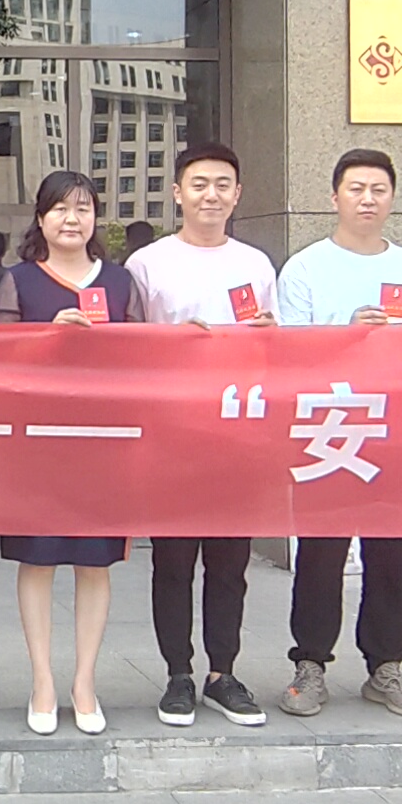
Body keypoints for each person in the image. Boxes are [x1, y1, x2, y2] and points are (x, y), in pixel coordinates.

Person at [275, 149, 402, 719]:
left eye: (378, 189)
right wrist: (347, 335)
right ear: (335, 198)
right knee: (320, 554)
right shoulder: (305, 267)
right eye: (356, 189)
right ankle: (310, 666)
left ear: (392, 198)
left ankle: (386, 665)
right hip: (327, 430)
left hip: (396, 432)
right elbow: (286, 354)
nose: (367, 199)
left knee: (393, 554)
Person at [126, 143, 279, 728]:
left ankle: (223, 673)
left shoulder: (256, 264)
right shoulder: (148, 263)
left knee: (229, 563)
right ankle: (178, 675)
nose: (210, 195)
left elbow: (278, 351)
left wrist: (269, 334)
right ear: (177, 193)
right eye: (198, 184)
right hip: (171, 434)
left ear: (237, 195)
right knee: (173, 562)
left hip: (237, 433)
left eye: (221, 185)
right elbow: (129, 345)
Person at [0, 171, 139, 734]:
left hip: (104, 443)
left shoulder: (120, 281)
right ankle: (43, 682)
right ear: (41, 218)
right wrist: (47, 335)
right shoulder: (18, 280)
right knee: (39, 560)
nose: (72, 219)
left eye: (83, 209)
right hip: (37, 442)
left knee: (94, 563)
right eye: (60, 209)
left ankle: (85, 682)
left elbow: (147, 357)